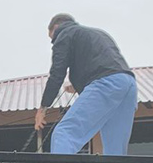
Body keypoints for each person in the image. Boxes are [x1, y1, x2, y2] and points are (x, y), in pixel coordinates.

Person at [33, 13, 137, 155]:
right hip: (128, 83)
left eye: (52, 38)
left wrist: (43, 107)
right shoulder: (99, 33)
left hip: (105, 84)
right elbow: (103, 65)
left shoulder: (64, 34)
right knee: (115, 149)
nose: (53, 42)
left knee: (64, 133)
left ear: (56, 27)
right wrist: (79, 85)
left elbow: (57, 73)